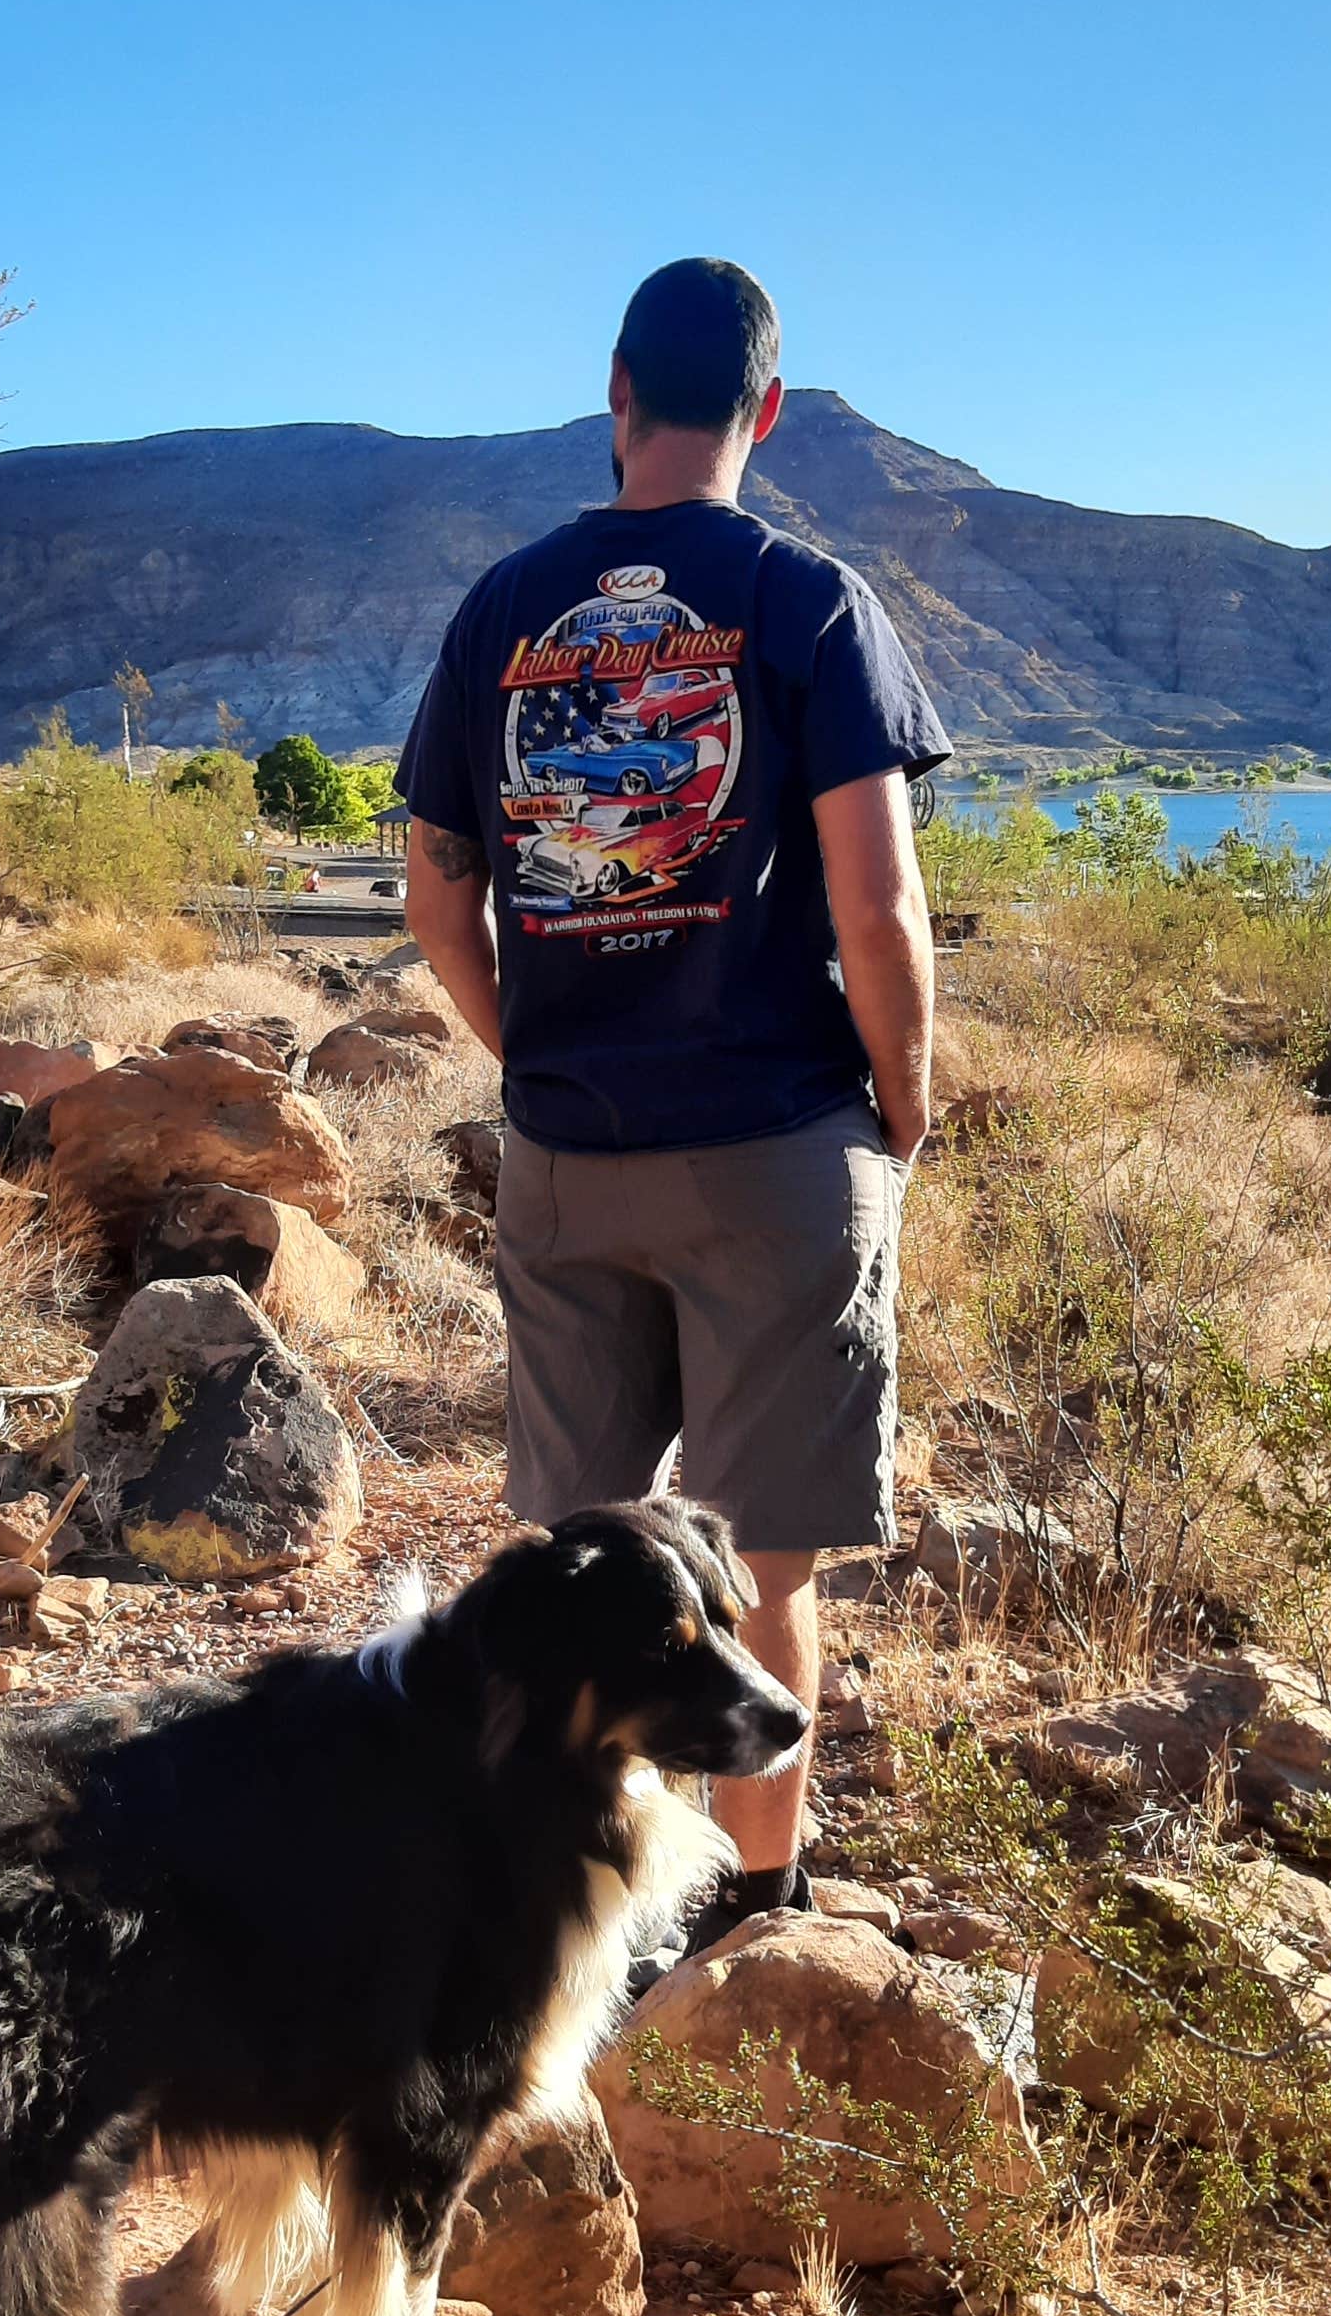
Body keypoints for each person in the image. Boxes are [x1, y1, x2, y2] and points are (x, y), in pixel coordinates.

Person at [398, 257, 951, 1940]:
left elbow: (434, 883)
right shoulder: (808, 598)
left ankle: (562, 1921)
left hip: (569, 1154)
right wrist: (905, 1105)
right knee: (763, 1568)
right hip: (778, 1145)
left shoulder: (505, 608)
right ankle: (755, 1920)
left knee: (584, 1569)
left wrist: (534, 1056)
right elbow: (878, 903)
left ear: (617, 396)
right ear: (766, 413)